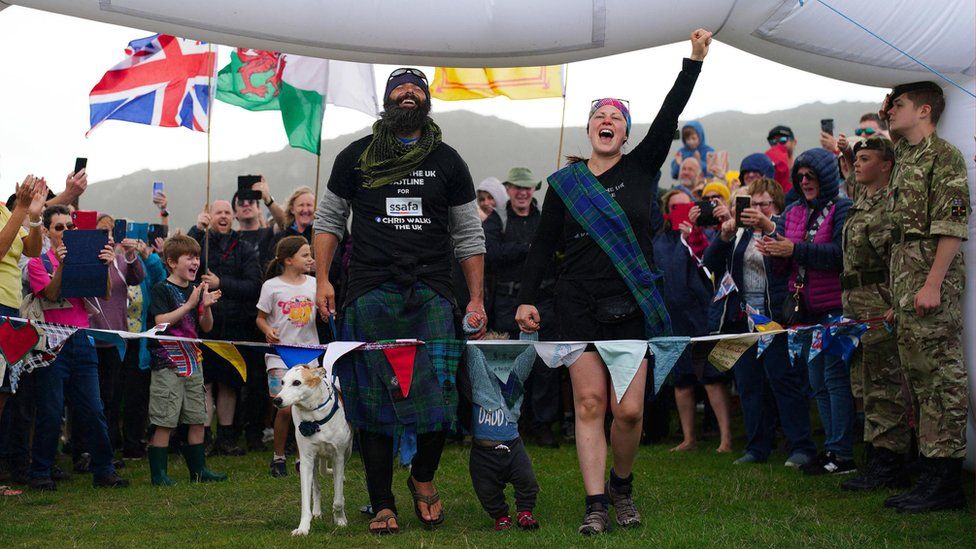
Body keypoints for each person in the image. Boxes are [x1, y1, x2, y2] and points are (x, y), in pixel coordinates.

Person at [516, 29, 712, 535]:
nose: (607, 123)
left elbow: (670, 114)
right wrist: (527, 300)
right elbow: (542, 246)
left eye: (616, 118)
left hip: (630, 302)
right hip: (575, 303)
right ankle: (596, 503)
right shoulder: (565, 186)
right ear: (589, 130)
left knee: (627, 413)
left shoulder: (642, 168)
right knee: (589, 404)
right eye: (599, 117)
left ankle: (622, 485)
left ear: (625, 134)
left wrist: (693, 61)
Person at [313, 66, 486, 534]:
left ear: (426, 100)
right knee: (371, 404)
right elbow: (328, 220)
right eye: (399, 88)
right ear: (387, 100)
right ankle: (382, 501)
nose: (408, 93)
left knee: (439, 398)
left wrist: (475, 299)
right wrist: (323, 281)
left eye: (417, 87)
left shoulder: (449, 160)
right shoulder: (356, 155)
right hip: (369, 288)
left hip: (431, 290)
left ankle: (423, 479)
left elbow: (469, 233)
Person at [879, 81, 969, 513]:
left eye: (899, 105)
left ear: (925, 110)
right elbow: (889, 126)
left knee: (941, 376)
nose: (891, 110)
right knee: (918, 375)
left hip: (931, 271)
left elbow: (952, 224)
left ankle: (947, 478)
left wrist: (932, 283)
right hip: (904, 271)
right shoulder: (905, 155)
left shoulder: (944, 155)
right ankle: (931, 472)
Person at [705, 177, 818, 468]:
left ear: (777, 205)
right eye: (752, 204)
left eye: (764, 204)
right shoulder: (739, 233)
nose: (757, 209)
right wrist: (725, 235)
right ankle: (757, 447)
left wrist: (768, 227)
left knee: (784, 381)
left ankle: (800, 446)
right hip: (742, 319)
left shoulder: (784, 227)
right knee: (748, 384)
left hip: (774, 318)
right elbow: (710, 263)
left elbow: (792, 260)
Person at [758, 147, 854, 476]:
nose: (804, 181)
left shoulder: (842, 207)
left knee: (835, 379)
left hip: (834, 309)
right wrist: (774, 250)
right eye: (800, 176)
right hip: (805, 313)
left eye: (810, 176)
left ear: (825, 177)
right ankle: (831, 449)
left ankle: (842, 452)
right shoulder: (794, 211)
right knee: (817, 383)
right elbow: (784, 267)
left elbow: (840, 254)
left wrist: (794, 248)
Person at [27, 205, 128, 490]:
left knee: (94, 408)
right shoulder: (38, 262)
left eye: (69, 227)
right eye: (58, 228)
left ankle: (104, 470)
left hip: (82, 338)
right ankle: (41, 472)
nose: (66, 233)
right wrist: (62, 265)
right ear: (47, 231)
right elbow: (50, 293)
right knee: (50, 409)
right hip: (50, 340)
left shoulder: (85, 258)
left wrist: (105, 266)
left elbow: (105, 293)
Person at [836, 136, 912, 492]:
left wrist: (894, 304)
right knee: (864, 381)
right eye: (857, 158)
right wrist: (845, 154)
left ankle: (890, 463)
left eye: (866, 159)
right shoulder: (863, 199)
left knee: (884, 383)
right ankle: (877, 457)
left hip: (877, 301)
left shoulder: (887, 207)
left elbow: (895, 262)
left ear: (886, 165)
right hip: (856, 301)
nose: (858, 163)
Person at [484, 167, 561, 448]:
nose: (522, 192)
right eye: (517, 187)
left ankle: (543, 425)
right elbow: (488, 253)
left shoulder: (546, 219)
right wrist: (528, 248)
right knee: (510, 367)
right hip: (508, 304)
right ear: (508, 189)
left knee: (546, 367)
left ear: (534, 190)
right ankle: (508, 422)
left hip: (545, 303)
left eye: (527, 187)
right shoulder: (497, 219)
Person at [654, 189, 732, 453]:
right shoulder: (661, 240)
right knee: (682, 381)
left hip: (700, 315)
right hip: (674, 318)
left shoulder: (705, 234)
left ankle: (726, 439)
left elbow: (710, 266)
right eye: (674, 207)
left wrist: (693, 235)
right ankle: (689, 438)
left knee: (711, 378)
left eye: (686, 206)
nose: (682, 211)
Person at [146, 234, 227, 485]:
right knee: (165, 419)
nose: (195, 262)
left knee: (197, 416)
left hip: (194, 361)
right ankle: (159, 475)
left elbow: (206, 326)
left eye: (196, 258)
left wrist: (206, 306)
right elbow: (160, 322)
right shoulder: (161, 288)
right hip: (167, 363)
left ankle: (199, 471)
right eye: (189, 258)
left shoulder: (195, 291)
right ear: (171, 262)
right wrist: (190, 304)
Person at [189, 200, 262, 455]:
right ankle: (206, 437)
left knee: (230, 384)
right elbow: (181, 254)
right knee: (206, 383)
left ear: (233, 217)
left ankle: (227, 438)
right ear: (209, 215)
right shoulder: (201, 243)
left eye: (226, 213)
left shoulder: (245, 248)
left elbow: (254, 286)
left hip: (236, 325)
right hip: (205, 325)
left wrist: (222, 283)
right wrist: (197, 230)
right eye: (217, 212)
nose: (223, 216)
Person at [256, 236, 319, 478]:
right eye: (305, 255)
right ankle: (279, 456)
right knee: (284, 408)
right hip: (279, 354)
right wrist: (267, 330)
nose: (311, 259)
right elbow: (260, 318)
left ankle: (304, 456)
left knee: (307, 407)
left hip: (309, 354)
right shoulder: (271, 286)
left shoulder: (314, 283)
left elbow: (324, 309)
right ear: (288, 260)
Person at [465, 336, 541, 531]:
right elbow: (473, 355)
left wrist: (528, 332)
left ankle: (525, 512)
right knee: (486, 490)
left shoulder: (513, 383)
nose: (497, 362)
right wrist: (473, 329)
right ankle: (500, 516)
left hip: (513, 447)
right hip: (482, 453)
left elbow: (528, 354)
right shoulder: (479, 386)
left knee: (528, 482)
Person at [90, 214, 146, 452]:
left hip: (116, 340)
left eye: (112, 231)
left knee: (113, 397)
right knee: (93, 397)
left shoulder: (122, 261)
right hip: (91, 337)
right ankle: (86, 446)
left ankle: (110, 446)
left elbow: (137, 277)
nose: (109, 236)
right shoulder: (88, 260)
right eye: (103, 231)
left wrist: (131, 255)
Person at [0, 176, 45, 416]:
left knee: (4, 389)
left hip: (10, 309)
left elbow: (33, 250)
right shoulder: (12, 211)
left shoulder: (4, 212)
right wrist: (20, 207)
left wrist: (35, 217)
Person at [234, 176, 285, 269]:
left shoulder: (270, 233)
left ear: (258, 208)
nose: (246, 204)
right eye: (241, 202)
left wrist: (268, 199)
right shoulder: (230, 238)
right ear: (234, 213)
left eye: (251, 201)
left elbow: (285, 224)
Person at [270, 187, 316, 252]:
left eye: (309, 205)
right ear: (292, 209)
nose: (305, 210)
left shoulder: (321, 236)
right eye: (301, 205)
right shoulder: (280, 239)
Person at [765, 125, 797, 196]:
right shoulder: (769, 173)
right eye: (773, 141)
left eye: (783, 140)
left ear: (794, 142)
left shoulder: (802, 171)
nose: (778, 144)